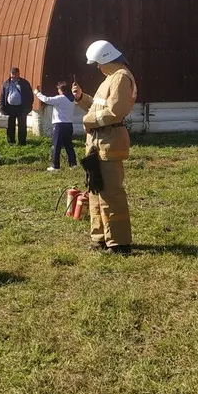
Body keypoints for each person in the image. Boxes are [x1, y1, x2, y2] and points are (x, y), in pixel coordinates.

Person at [72, 40, 137, 254]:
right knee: (95, 190)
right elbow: (98, 107)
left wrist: (88, 121)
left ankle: (119, 242)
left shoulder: (121, 78)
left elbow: (115, 112)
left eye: (98, 63)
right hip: (98, 143)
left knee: (111, 193)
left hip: (109, 143)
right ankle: (100, 237)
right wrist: (81, 98)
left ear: (107, 59)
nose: (98, 67)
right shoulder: (110, 78)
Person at [35, 81, 78, 171]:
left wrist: (37, 93)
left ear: (61, 90)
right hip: (69, 124)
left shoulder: (60, 98)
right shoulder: (71, 99)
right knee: (69, 145)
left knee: (56, 145)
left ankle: (55, 166)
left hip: (59, 125)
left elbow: (47, 99)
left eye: (58, 89)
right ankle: (73, 164)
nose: (58, 91)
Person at [0, 66, 33, 145]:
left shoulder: (24, 83)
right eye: (12, 73)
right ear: (10, 74)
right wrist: (2, 108)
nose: (13, 75)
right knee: (10, 126)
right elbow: (2, 96)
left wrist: (28, 108)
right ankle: (11, 142)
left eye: (15, 73)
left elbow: (30, 96)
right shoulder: (6, 84)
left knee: (22, 125)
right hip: (10, 107)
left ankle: (22, 142)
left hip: (21, 107)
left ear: (18, 74)